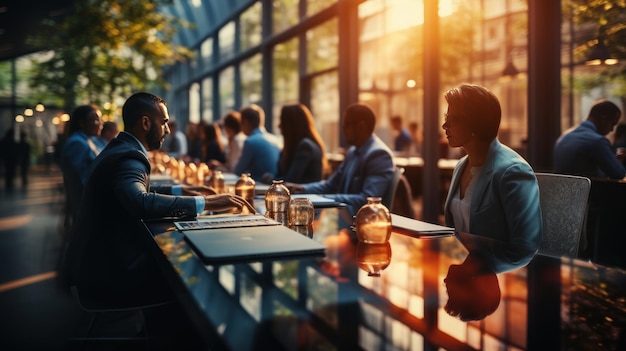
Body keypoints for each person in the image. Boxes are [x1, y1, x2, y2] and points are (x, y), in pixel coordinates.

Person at [59, 92, 254, 345]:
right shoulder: (130, 156)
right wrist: (206, 202)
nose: (167, 130)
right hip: (112, 275)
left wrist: (180, 190)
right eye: (164, 122)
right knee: (195, 275)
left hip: (96, 263)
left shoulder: (122, 147)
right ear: (146, 123)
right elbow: (139, 202)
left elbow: (130, 192)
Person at [442, 84, 542, 252]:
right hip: (461, 267)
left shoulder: (513, 171)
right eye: (446, 117)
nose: (445, 125)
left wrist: (479, 270)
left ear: (475, 123)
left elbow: (526, 247)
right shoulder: (461, 166)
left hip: (498, 274)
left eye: (454, 119)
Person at [286, 103, 395, 215]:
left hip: (362, 221)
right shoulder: (353, 151)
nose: (343, 129)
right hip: (346, 217)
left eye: (346, 125)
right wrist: (301, 188)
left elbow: (367, 200)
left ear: (361, 126)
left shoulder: (379, 154)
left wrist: (319, 198)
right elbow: (331, 185)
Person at [554, 100, 625, 179]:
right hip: (588, 190)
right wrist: (618, 160)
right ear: (603, 119)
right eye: (612, 124)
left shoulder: (564, 136)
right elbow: (618, 174)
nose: (612, 130)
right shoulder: (597, 141)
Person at [263, 103, 329, 184]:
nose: (279, 125)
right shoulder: (293, 147)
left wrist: (270, 180)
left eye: (282, 121)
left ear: (291, 125)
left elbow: (291, 181)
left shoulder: (305, 146)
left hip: (303, 196)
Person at [234, 104, 281, 180]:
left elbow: (238, 171)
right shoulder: (275, 139)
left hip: (260, 185)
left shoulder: (250, 142)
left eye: (241, 122)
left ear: (245, 122)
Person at [60, 104, 103, 185]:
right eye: (96, 120)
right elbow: (79, 178)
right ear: (82, 123)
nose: (100, 124)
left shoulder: (87, 140)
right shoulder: (77, 143)